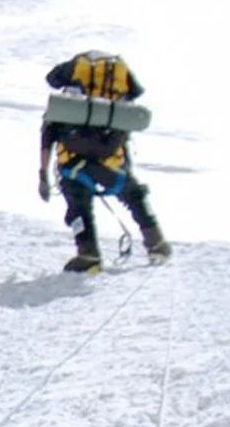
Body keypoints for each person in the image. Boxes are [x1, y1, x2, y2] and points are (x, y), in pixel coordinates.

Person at [36, 49, 172, 273]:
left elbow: (52, 80)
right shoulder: (120, 67)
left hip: (73, 157)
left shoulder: (76, 64)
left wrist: (43, 174)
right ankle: (156, 243)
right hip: (111, 155)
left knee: (78, 203)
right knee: (134, 194)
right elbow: (136, 92)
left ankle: (88, 254)